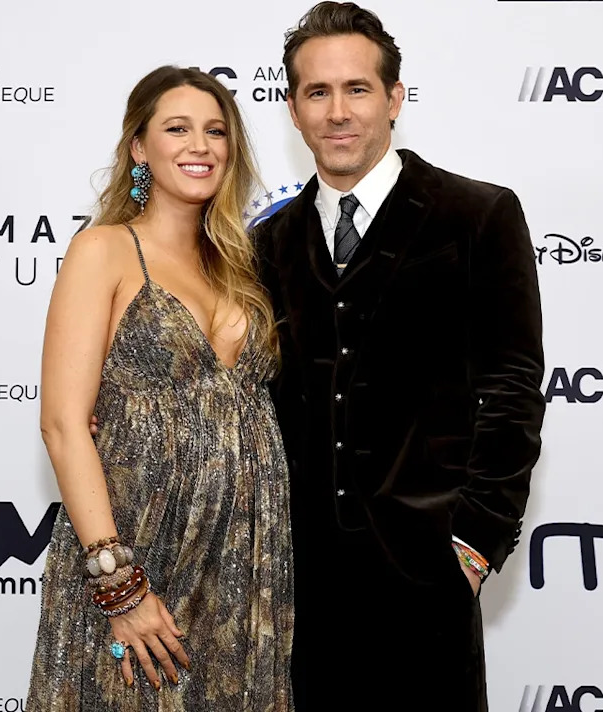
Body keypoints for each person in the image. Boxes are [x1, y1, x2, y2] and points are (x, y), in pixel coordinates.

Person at [252, 3, 546, 709]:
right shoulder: (267, 243)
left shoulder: (477, 215)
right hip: (298, 589)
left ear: (394, 98)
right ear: (293, 110)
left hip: (429, 576)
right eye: (317, 92)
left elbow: (512, 385)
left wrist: (476, 539)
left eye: (357, 89)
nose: (338, 112)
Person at [27, 66, 294, 712]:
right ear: (139, 148)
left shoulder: (243, 264)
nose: (200, 146)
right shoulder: (103, 250)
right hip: (139, 548)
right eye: (177, 129)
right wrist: (120, 586)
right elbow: (63, 426)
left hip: (242, 563)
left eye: (216, 132)